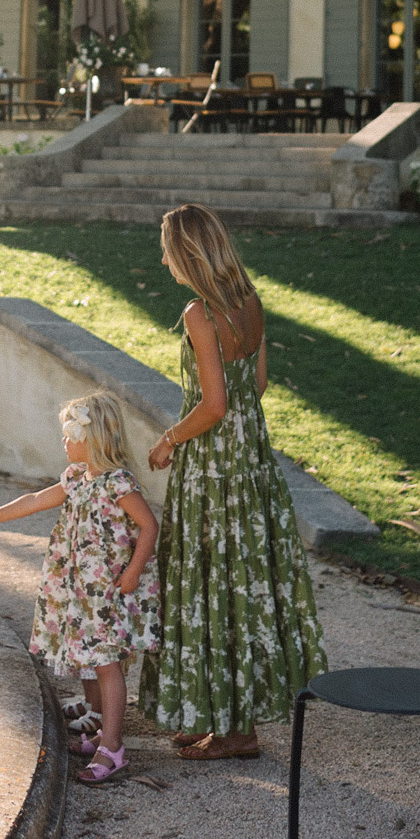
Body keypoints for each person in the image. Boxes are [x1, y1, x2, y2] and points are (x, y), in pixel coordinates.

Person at [140, 203, 326, 760]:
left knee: (209, 585)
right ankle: (228, 720)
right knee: (241, 585)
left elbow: (214, 404)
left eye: (168, 248)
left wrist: (170, 439)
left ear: (187, 254)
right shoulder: (249, 302)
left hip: (213, 468)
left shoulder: (200, 313)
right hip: (251, 462)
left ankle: (230, 731)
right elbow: (258, 382)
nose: (164, 258)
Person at [0, 392, 159, 786]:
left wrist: (134, 571)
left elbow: (150, 525)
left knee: (106, 664)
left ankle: (114, 749)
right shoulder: (75, 479)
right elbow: (36, 499)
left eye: (69, 433)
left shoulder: (117, 483)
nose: (64, 442)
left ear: (93, 436)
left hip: (107, 591)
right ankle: (105, 734)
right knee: (96, 660)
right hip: (82, 591)